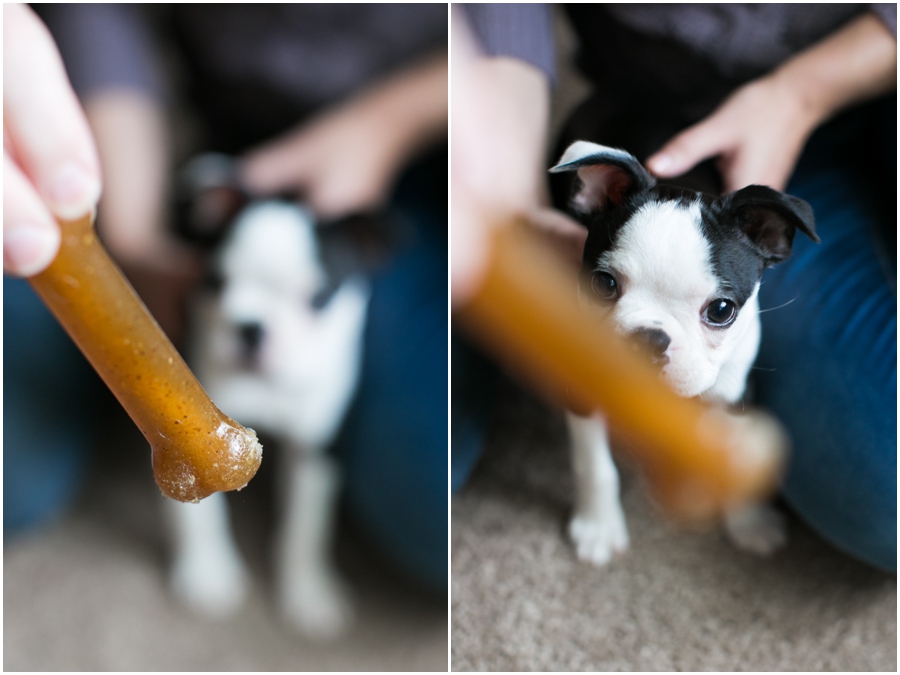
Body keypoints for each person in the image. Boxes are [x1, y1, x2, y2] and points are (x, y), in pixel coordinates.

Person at [4, 4, 448, 590]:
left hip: (420, 147)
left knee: (427, 520)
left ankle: (302, 563)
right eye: (225, 285)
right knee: (16, 485)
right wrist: (135, 237)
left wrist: (386, 128)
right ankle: (202, 552)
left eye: (310, 299)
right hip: (224, 129)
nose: (253, 320)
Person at [453, 4, 896, 573]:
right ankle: (598, 487)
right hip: (632, 102)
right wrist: (507, 200)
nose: (649, 338)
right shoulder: (605, 186)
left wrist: (801, 94)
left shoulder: (746, 236)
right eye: (609, 285)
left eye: (715, 310)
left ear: (769, 239)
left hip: (863, 92)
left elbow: (730, 404)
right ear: (594, 195)